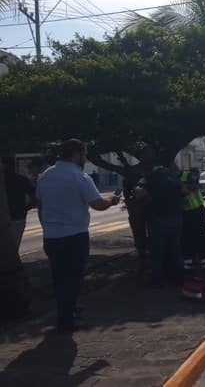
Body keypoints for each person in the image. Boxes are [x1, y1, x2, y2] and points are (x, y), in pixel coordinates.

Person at [36, 139, 120, 333]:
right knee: (73, 279)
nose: (85, 158)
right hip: (74, 236)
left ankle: (69, 310)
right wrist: (112, 200)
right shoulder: (80, 177)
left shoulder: (45, 176)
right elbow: (97, 204)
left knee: (59, 278)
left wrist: (47, 227)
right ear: (76, 154)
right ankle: (67, 320)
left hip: (51, 237)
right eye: (84, 154)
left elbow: (40, 206)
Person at [135, 166, 183, 287]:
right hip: (176, 219)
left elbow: (139, 194)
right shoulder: (174, 183)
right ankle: (178, 277)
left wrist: (141, 184)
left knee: (157, 251)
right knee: (175, 250)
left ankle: (158, 279)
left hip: (159, 221)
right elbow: (184, 192)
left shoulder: (152, 184)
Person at [178, 168, 205, 275]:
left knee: (201, 238)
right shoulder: (172, 179)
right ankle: (188, 267)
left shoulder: (188, 175)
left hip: (197, 211)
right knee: (186, 240)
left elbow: (192, 187)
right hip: (184, 213)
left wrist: (181, 187)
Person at [3, 157, 36, 252]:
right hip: (18, 217)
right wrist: (25, 208)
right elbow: (34, 196)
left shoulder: (18, 180)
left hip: (9, 218)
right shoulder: (22, 179)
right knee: (13, 247)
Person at [122, 170, 149, 271]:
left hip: (136, 211)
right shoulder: (147, 177)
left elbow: (127, 196)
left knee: (138, 233)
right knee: (143, 232)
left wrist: (130, 205)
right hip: (143, 210)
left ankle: (142, 253)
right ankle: (144, 252)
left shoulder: (128, 178)